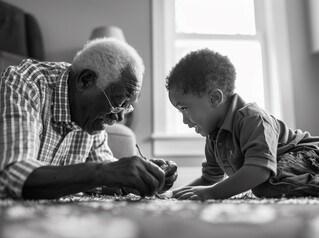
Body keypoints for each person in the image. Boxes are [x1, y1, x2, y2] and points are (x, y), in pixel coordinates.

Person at [0, 37, 177, 200]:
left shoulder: (91, 119)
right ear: (85, 81)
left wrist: (141, 176)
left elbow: (102, 170)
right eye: (118, 103)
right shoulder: (25, 83)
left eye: (127, 107)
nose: (120, 116)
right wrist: (107, 171)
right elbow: (15, 175)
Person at [166, 48, 319, 201]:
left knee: (265, 184)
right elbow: (209, 179)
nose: (185, 120)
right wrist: (174, 194)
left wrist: (212, 193)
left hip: (307, 154)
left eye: (185, 109)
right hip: (283, 164)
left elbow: (259, 171)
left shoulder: (252, 118)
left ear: (214, 98)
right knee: (261, 183)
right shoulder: (214, 136)